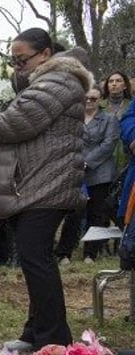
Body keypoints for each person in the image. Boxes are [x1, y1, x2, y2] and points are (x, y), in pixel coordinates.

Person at [0, 32, 92, 351]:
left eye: (21, 59)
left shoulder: (60, 80)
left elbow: (20, 121)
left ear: (45, 54)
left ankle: (54, 340)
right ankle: (35, 331)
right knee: (34, 260)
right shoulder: (45, 80)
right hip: (36, 183)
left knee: (36, 259)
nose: (16, 66)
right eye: (12, 60)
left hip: (48, 185)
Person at [80, 85, 120, 262]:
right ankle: (64, 252)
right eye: (86, 98)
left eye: (93, 99)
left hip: (100, 172)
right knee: (74, 214)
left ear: (100, 100)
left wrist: (87, 162)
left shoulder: (108, 119)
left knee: (97, 213)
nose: (89, 101)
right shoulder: (74, 119)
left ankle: (90, 252)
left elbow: (108, 144)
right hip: (75, 171)